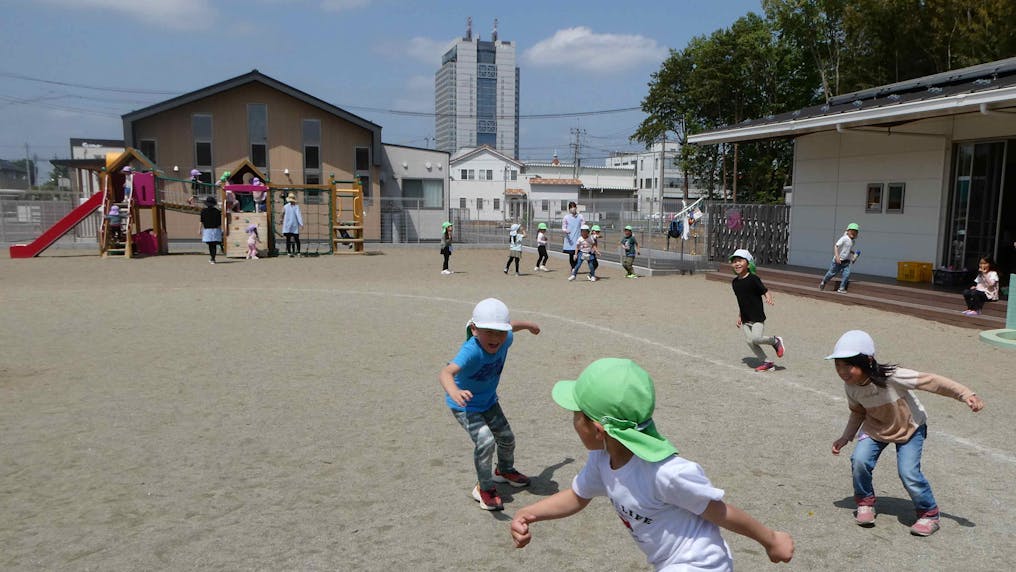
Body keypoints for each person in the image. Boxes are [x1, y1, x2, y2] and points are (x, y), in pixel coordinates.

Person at [510, 358, 795, 569]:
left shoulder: (665, 473)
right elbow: (577, 496)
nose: (572, 421)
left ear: (598, 430)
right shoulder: (602, 458)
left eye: (576, 414)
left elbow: (720, 512)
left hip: (699, 564)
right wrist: (528, 513)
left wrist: (770, 539)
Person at [827, 330, 984, 536]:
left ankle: (929, 514)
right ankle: (865, 502)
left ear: (868, 361)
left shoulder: (893, 377)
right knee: (859, 460)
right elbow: (857, 412)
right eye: (838, 366)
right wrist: (845, 437)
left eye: (848, 365)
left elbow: (932, 381)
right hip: (876, 427)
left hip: (910, 427)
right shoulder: (851, 387)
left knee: (908, 472)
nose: (842, 372)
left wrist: (965, 393)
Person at [439, 298, 541, 511]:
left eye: (500, 333)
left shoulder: (506, 338)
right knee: (485, 440)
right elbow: (446, 372)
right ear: (475, 329)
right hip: (465, 405)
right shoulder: (472, 350)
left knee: (506, 438)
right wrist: (454, 391)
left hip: (488, 401)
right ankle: (484, 487)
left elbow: (512, 327)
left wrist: (530, 325)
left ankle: (504, 470)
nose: (496, 338)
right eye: (489, 332)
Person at [729, 249, 785, 372]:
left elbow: (765, 291)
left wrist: (768, 298)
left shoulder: (753, 279)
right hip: (745, 318)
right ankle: (767, 362)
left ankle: (775, 340)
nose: (737, 264)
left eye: (740, 261)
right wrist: (739, 316)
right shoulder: (735, 283)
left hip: (757, 317)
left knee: (756, 338)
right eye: (734, 261)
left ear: (748, 264)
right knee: (750, 341)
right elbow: (741, 301)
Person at [820, 223, 860, 293]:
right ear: (847, 231)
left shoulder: (853, 241)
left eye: (855, 233)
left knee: (846, 274)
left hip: (846, 261)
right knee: (831, 273)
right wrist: (837, 256)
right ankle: (824, 281)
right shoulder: (844, 238)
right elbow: (836, 246)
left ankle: (841, 288)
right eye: (852, 232)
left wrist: (853, 253)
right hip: (837, 261)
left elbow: (847, 249)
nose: (853, 234)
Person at [562, 201, 585, 269]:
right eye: (571, 207)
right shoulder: (566, 217)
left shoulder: (580, 216)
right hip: (570, 239)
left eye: (574, 207)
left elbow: (583, 225)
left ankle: (575, 267)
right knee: (571, 254)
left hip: (578, 238)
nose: (573, 209)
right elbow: (563, 227)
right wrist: (566, 231)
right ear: (569, 209)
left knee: (579, 254)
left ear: (576, 208)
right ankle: (573, 268)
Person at [199, 196, 222, 264]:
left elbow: (201, 221)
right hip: (215, 230)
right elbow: (219, 223)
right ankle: (213, 258)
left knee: (210, 244)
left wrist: (199, 229)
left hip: (207, 230)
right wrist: (220, 231)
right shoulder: (217, 211)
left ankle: (212, 258)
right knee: (214, 244)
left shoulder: (203, 211)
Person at [282, 193, 303, 257]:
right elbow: (282, 213)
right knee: (290, 239)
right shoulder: (286, 206)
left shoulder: (296, 207)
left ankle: (297, 252)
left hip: (293, 225)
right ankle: (289, 252)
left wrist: (301, 223)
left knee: (296, 239)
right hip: (288, 224)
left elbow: (298, 215)